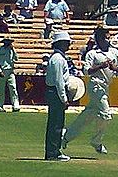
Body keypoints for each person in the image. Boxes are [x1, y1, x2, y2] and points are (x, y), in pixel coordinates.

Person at [62, 26, 118, 154]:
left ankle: (66, 136)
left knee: (88, 115)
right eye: (106, 37)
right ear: (100, 39)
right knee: (106, 114)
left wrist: (116, 68)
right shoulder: (92, 53)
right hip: (96, 85)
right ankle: (96, 141)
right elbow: (86, 70)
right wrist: (100, 66)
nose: (109, 39)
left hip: (106, 86)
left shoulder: (114, 52)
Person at [44, 31, 72, 161]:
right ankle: (53, 152)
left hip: (54, 92)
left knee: (56, 123)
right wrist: (64, 98)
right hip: (55, 93)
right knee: (56, 124)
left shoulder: (57, 58)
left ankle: (53, 151)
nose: (68, 45)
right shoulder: (58, 59)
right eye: (66, 43)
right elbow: (59, 81)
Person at [0, 38, 20, 112]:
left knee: (13, 88)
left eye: (9, 42)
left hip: (11, 71)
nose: (8, 44)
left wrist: (14, 50)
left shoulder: (11, 50)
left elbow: (17, 59)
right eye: (7, 42)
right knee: (1, 90)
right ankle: (0, 106)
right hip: (2, 71)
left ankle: (15, 106)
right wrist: (0, 71)